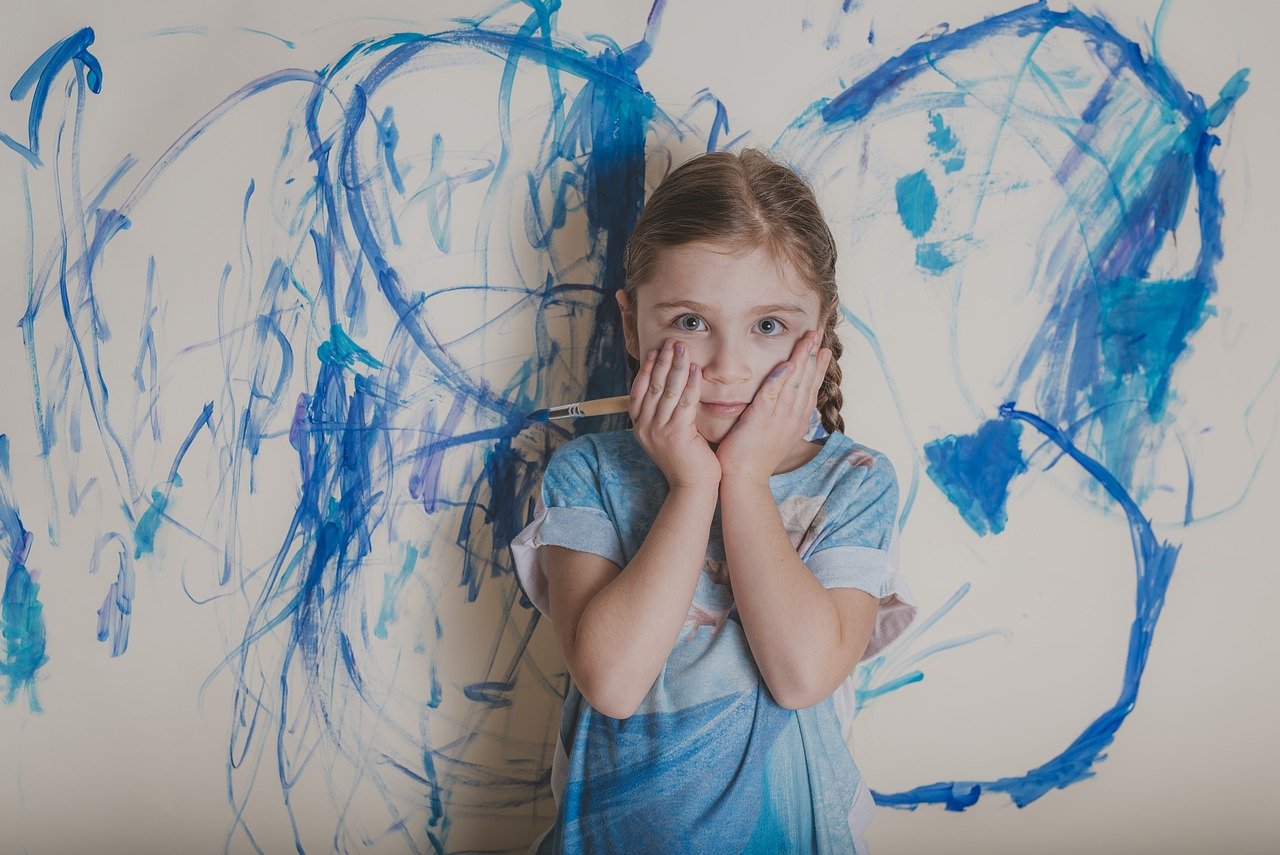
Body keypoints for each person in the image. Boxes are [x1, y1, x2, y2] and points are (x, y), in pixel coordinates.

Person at [509, 148, 918, 853]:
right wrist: (695, 484)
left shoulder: (855, 481)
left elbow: (802, 675)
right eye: (691, 322)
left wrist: (747, 478)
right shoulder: (588, 474)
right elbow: (612, 679)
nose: (728, 365)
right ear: (633, 326)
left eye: (768, 326)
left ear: (817, 338)